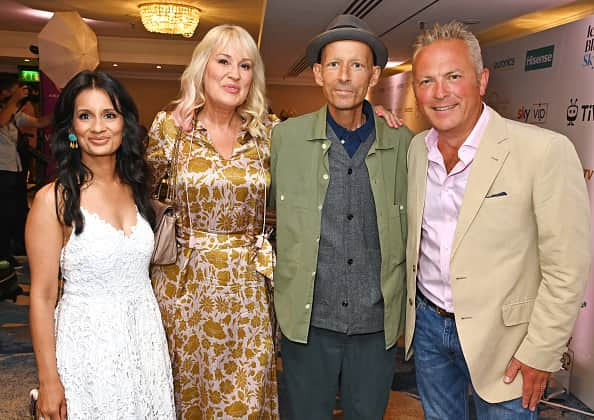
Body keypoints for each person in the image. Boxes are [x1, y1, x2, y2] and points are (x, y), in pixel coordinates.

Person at [405, 21, 592, 420]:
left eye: (454, 76)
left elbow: (567, 267)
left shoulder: (544, 152)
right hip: (429, 328)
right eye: (426, 81)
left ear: (482, 79)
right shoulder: (417, 151)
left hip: (508, 342)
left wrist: (541, 351)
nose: (440, 92)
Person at [270, 14, 413, 419]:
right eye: (334, 64)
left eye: (356, 65)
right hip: (307, 324)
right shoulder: (285, 138)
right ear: (317, 73)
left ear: (374, 74)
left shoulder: (402, 142)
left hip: (375, 326)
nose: (344, 76)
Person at [146, 25, 280, 419]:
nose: (234, 74)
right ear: (204, 67)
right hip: (182, 285)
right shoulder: (169, 129)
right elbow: (140, 197)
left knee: (247, 397)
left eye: (245, 65)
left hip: (248, 290)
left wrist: (370, 115)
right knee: (187, 393)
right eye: (223, 61)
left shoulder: (268, 132)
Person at [27, 70, 175, 420]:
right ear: (71, 128)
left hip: (144, 339)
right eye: (85, 116)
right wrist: (49, 381)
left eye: (109, 114)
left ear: (125, 123)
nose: (98, 127)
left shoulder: (138, 188)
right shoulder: (54, 200)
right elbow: (43, 296)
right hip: (87, 347)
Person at [0, 73, 51, 268]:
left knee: (12, 212)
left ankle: (8, 253)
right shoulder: (7, 112)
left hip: (13, 169)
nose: (20, 93)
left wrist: (63, 109)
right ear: (4, 92)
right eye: (14, 90)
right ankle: (3, 256)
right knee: (3, 214)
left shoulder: (15, 114)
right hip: (1, 170)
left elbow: (39, 122)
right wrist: (14, 101)